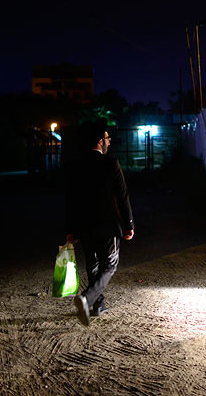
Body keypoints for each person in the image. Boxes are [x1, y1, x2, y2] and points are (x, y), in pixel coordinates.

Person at [65, 121, 134, 326]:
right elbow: (123, 197)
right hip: (107, 224)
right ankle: (87, 298)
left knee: (93, 264)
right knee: (110, 264)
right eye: (107, 139)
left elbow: (71, 198)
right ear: (99, 141)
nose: (109, 142)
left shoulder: (76, 165)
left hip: (84, 225)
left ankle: (97, 304)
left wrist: (70, 228)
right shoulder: (111, 164)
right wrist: (129, 223)